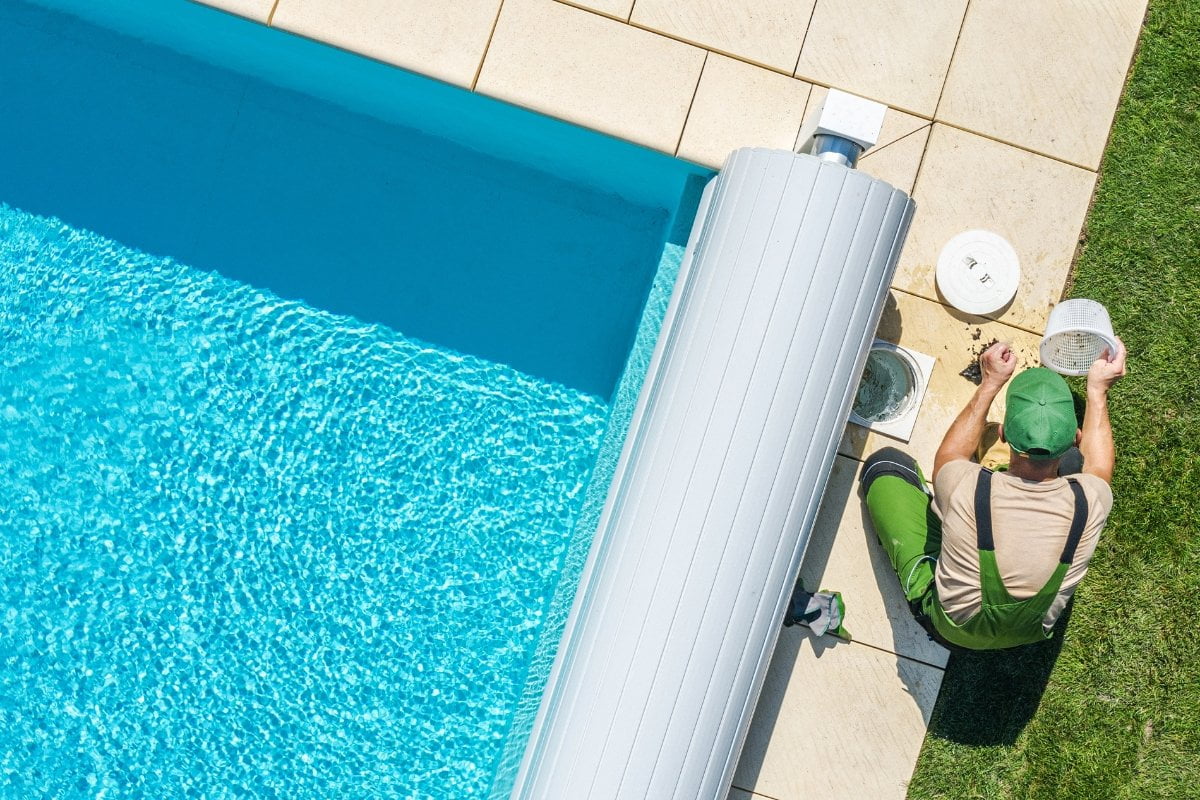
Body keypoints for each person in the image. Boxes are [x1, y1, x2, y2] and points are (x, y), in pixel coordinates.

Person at [860, 339, 1127, 650]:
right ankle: (1019, 464)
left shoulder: (968, 487)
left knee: (886, 465)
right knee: (1071, 466)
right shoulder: (1090, 501)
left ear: (1003, 434)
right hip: (1030, 630)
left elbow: (951, 455)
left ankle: (923, 585)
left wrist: (990, 382)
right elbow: (1098, 463)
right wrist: (1098, 390)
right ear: (1076, 437)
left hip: (953, 630)